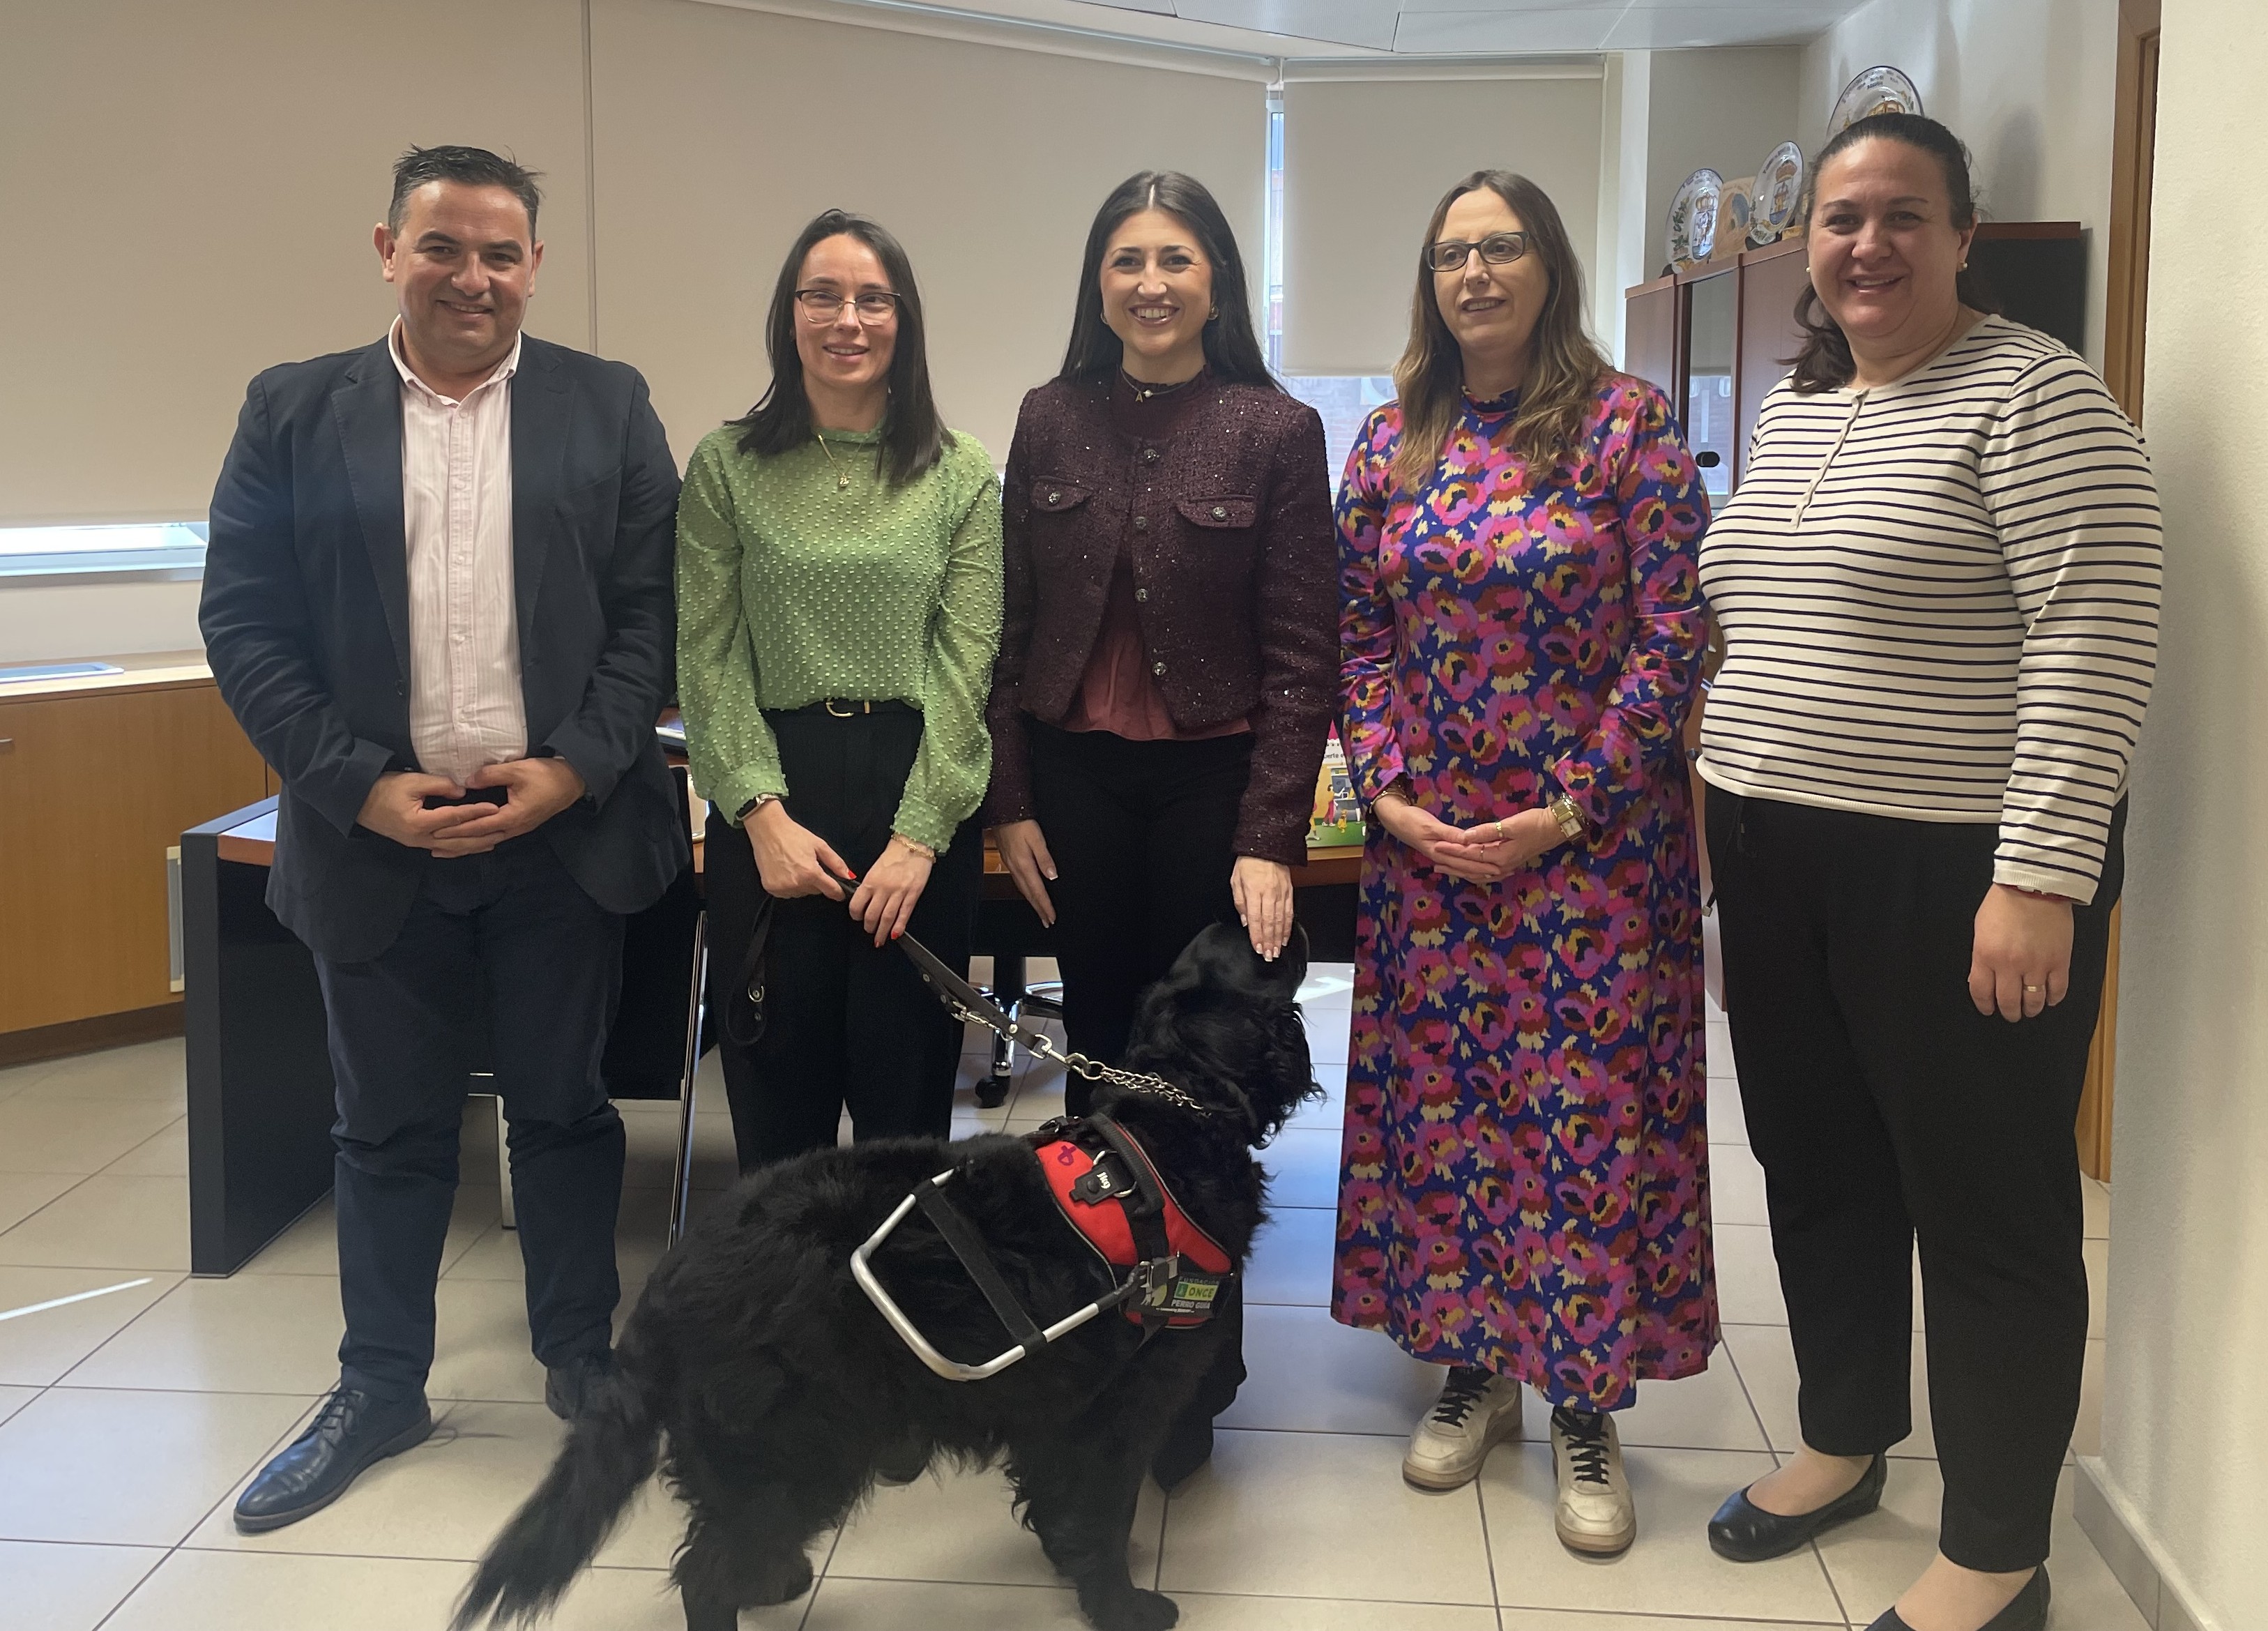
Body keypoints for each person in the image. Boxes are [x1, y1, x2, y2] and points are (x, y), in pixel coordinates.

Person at [1695, 114, 2161, 1631]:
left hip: (1953, 871)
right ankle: (1842, 1438)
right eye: (1839, 219)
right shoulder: (1807, 406)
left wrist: (2040, 875)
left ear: (1966, 234)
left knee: (1986, 1205)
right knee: (1818, 1170)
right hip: (1772, 858)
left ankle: (1996, 1550)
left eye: (1903, 216)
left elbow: (2096, 641)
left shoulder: (2036, 396)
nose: (1865, 246)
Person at [201, 145, 686, 1530]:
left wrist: (571, 772)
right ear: (388, 249)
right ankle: (381, 1386)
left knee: (565, 1113)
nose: (471, 276)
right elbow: (245, 621)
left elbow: (648, 618)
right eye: (442, 248)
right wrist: (356, 784)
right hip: (374, 839)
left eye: (499, 253)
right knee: (388, 1129)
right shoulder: (294, 411)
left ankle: (581, 1360)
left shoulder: (608, 406)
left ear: (534, 264)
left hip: (558, 840)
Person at [1332, 169, 1714, 1557]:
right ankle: (1472, 1365)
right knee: (1445, 1115)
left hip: (1590, 855)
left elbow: (1674, 639)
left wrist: (1567, 809)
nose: (1475, 274)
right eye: (1451, 254)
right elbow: (1356, 638)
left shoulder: (1628, 431)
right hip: (1432, 848)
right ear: (1429, 283)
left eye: (1500, 248)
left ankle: (1581, 1401)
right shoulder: (1389, 445)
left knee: (1581, 1120)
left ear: (1544, 266)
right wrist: (1386, 794)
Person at [982, 169, 1336, 1487]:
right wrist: (1011, 800)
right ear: (1097, 281)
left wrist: (1270, 833)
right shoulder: (1048, 417)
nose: (1148, 282)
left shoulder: (1273, 427)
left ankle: (1195, 1374)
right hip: (1074, 786)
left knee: (1192, 1088)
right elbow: (1013, 633)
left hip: (1211, 797)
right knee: (1094, 1072)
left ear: (1217, 282)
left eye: (1175, 258)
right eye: (1125, 258)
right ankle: (1096, 1341)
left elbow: (1306, 653)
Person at [676, 209, 1000, 1174]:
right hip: (771, 792)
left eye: (872, 298)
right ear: (788, 315)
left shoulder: (961, 474)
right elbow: (707, 652)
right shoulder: (726, 467)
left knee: (905, 1118)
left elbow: (967, 660)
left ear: (903, 321)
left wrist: (919, 840)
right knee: (780, 1106)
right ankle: (785, 1321)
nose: (846, 319)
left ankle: (893, 1321)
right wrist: (760, 818)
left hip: (916, 798)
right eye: (822, 295)